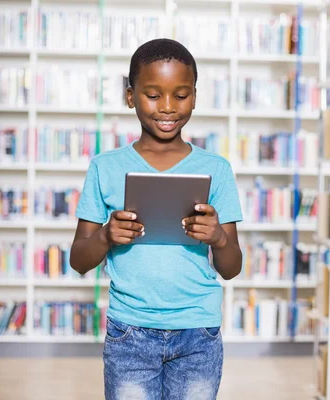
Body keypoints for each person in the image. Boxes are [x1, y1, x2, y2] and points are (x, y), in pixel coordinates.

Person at [70, 38, 243, 400]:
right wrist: (106, 235)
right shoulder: (105, 167)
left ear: (195, 95)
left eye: (181, 95)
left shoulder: (217, 169)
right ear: (130, 95)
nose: (167, 107)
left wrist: (219, 239)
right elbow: (79, 259)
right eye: (153, 95)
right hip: (129, 331)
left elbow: (231, 268)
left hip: (199, 331)